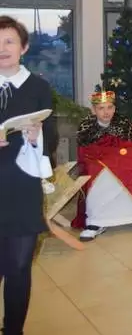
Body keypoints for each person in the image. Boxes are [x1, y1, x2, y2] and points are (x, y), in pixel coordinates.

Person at [0, 16, 56, 335]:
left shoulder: (38, 87)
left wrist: (38, 136)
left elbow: (53, 136)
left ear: (23, 47)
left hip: (23, 187)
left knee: (19, 268)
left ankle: (13, 330)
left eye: (9, 41)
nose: (2, 48)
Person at [72, 86, 132, 241]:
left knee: (131, 164)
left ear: (114, 109)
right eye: (101, 108)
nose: (106, 112)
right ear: (94, 110)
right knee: (96, 169)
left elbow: (129, 147)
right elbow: (84, 152)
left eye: (109, 107)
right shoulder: (86, 126)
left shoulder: (123, 123)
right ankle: (95, 221)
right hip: (96, 160)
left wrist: (115, 155)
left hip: (120, 158)